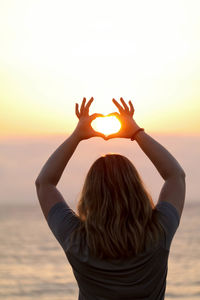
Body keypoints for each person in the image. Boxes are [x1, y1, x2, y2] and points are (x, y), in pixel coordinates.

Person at [35, 97, 186, 300]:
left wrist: (77, 136)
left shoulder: (76, 239)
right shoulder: (159, 232)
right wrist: (136, 132)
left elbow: (45, 183)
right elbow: (175, 177)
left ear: (90, 196)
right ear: (137, 190)